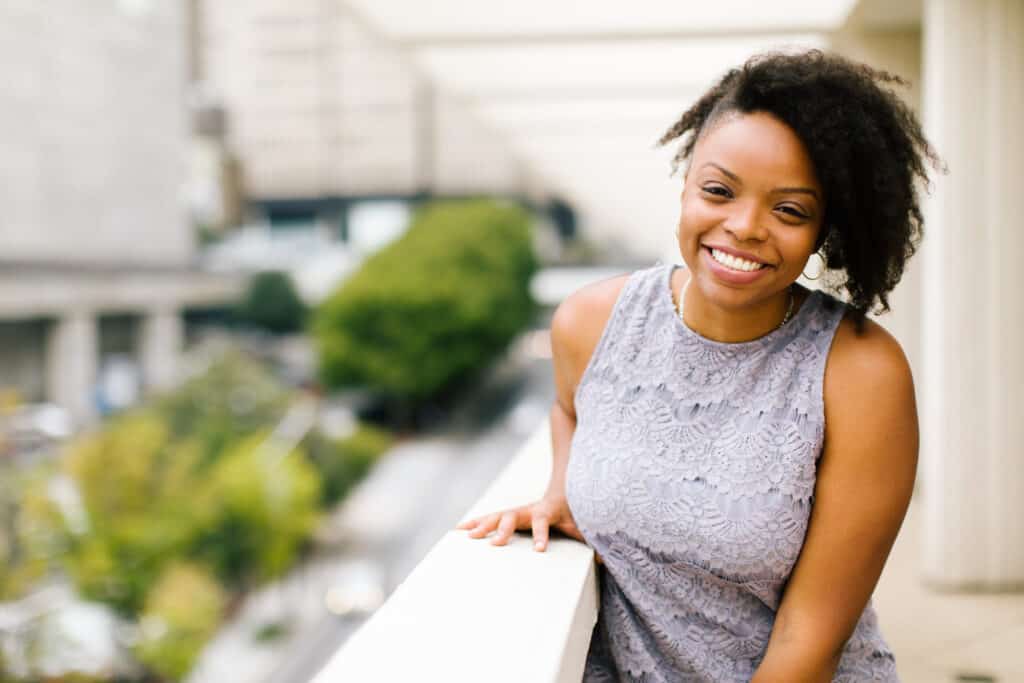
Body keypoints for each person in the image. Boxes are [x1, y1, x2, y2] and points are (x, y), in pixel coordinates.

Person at [456, 49, 942, 682]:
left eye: (789, 210)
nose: (744, 226)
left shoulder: (861, 372)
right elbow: (569, 408)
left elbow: (810, 641)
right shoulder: (590, 323)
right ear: (686, 181)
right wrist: (561, 490)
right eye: (719, 191)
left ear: (826, 229)